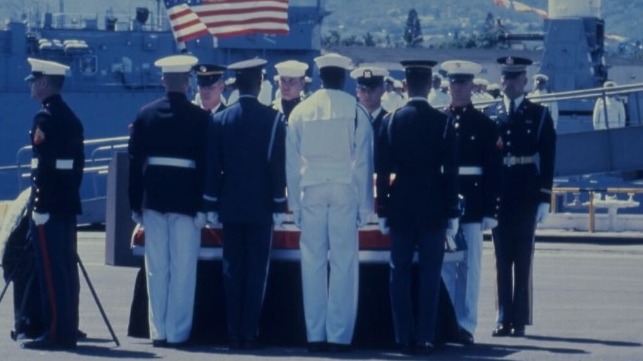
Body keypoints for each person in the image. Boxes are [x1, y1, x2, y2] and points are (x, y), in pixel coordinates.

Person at [286, 53, 373, 353]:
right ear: (344, 77)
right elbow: (363, 162)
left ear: (321, 77)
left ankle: (315, 335)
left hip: (311, 188)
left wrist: (294, 205)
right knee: (343, 262)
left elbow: (291, 161)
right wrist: (365, 208)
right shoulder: (355, 110)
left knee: (312, 262)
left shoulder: (300, 110)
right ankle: (338, 336)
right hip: (343, 188)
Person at [375, 60, 459, 355]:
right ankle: (425, 336)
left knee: (398, 273)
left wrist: (382, 209)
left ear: (406, 85)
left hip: (401, 203)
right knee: (429, 273)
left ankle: (403, 336)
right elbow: (451, 172)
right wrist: (452, 211)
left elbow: (383, 171)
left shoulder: (391, 120)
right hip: (434, 204)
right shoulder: (444, 122)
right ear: (429, 85)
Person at [202, 58, 288, 350]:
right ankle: (250, 332)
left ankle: (232, 332)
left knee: (231, 269)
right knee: (256, 271)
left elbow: (213, 167)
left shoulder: (219, 119)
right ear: (261, 83)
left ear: (235, 85)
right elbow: (277, 168)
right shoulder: (273, 119)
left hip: (230, 204)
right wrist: (279, 204)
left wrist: (211, 203)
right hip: (262, 205)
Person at [128, 54, 209, 347]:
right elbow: (206, 166)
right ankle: (178, 332)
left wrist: (136, 204)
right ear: (187, 83)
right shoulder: (201, 118)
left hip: (154, 200)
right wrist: (204, 205)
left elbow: (135, 165)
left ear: (164, 81)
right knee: (184, 269)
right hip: (187, 202)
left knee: (156, 268)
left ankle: (158, 331)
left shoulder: (145, 115)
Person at [484, 56, 556, 338]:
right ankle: (503, 317)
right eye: (505, 77)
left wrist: (544, 198)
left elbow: (548, 158)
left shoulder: (538, 115)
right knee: (501, 259)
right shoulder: (491, 114)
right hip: (501, 192)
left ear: (524, 81)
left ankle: (520, 318)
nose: (508, 83)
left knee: (523, 258)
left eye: (514, 78)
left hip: (526, 190)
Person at [21, 58, 84, 350]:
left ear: (45, 83)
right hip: (67, 205)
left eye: (34, 80)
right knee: (66, 269)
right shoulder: (71, 118)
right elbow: (76, 168)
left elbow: (43, 167)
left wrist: (41, 205)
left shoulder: (44, 119)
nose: (31, 86)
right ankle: (69, 325)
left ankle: (56, 332)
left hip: (48, 207)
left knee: (51, 271)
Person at [439, 60, 503, 345]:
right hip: (445, 203)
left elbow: (494, 169)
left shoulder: (485, 124)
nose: (456, 87)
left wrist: (491, 209)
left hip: (475, 204)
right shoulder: (439, 120)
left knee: (470, 267)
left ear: (471, 86)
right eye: (452, 82)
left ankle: (465, 324)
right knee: (444, 266)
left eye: (462, 83)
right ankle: (447, 321)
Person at [350, 65, 389, 134]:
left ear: (383, 89)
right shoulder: (351, 121)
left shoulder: (390, 121)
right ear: (357, 91)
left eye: (372, 89)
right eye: (363, 89)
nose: (367, 94)